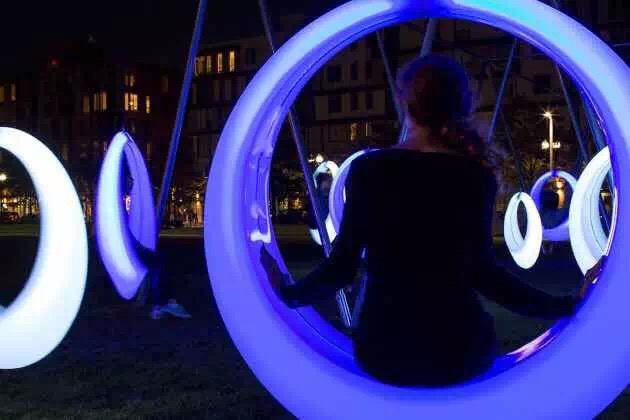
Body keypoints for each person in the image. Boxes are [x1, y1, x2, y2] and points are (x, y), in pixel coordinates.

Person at [261, 55, 588, 387]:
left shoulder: (369, 170)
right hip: (455, 352)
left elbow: (342, 267)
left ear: (405, 103)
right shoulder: (474, 177)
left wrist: (287, 293)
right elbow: (487, 277)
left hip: (382, 350)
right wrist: (567, 305)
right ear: (461, 107)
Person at [122, 162, 191, 320]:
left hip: (130, 248)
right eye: (129, 178)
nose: (133, 181)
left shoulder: (120, 203)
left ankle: (160, 302)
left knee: (160, 259)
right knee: (159, 261)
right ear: (123, 180)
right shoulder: (117, 205)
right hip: (127, 250)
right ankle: (160, 303)